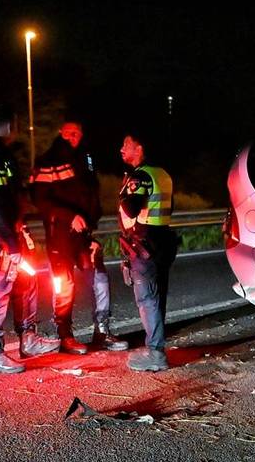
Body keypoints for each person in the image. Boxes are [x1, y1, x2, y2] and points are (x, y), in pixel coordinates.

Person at [0, 104, 60, 373]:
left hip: (9, 230)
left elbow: (7, 199)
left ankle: (28, 339)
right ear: (9, 126)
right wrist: (9, 240)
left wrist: (19, 230)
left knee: (27, 280)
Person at [32, 121, 129, 354]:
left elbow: (91, 194)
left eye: (77, 133)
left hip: (85, 234)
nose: (73, 137)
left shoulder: (86, 158)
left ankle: (102, 331)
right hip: (60, 235)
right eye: (69, 133)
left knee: (100, 279)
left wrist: (91, 226)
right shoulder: (47, 160)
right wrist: (69, 216)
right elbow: (41, 200)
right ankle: (65, 336)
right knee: (64, 286)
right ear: (60, 132)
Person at [118, 129, 178, 371]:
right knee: (158, 294)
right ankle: (156, 345)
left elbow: (131, 210)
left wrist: (124, 192)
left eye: (126, 144)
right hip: (162, 239)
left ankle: (155, 352)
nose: (121, 149)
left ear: (139, 148)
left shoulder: (139, 176)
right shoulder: (162, 174)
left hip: (144, 242)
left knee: (146, 297)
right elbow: (169, 207)